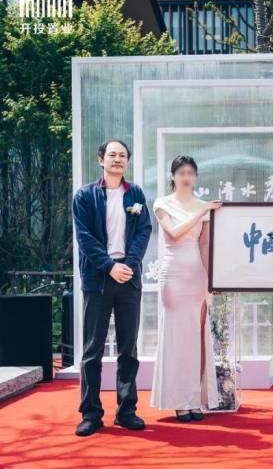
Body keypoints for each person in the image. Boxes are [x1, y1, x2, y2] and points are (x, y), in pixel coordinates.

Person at [72, 139, 152, 436]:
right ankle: (91, 413)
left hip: (128, 277)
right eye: (112, 155)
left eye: (122, 156)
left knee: (128, 348)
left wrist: (128, 264)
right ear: (101, 160)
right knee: (92, 349)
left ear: (127, 162)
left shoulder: (136, 194)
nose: (117, 159)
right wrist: (109, 266)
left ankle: (126, 410)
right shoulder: (85, 195)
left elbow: (144, 230)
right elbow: (84, 237)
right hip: (98, 279)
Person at [150, 155, 223, 422]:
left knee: (195, 339)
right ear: (173, 176)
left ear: (195, 176)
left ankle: (194, 400)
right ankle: (177, 401)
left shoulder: (203, 206)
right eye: (181, 172)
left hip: (196, 277)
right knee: (176, 338)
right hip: (173, 276)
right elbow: (174, 232)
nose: (186, 177)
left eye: (191, 173)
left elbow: (204, 244)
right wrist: (201, 212)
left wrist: (211, 278)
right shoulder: (162, 203)